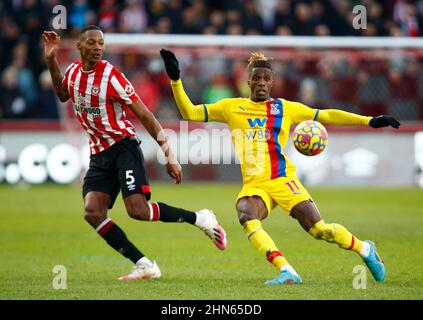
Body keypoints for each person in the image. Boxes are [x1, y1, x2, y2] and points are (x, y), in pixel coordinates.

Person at [160, 49, 401, 285]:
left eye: (266, 79)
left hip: (282, 179)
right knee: (246, 214)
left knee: (319, 230)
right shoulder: (232, 107)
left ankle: (365, 248)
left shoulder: (285, 109)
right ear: (248, 81)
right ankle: (286, 270)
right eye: (256, 78)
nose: (261, 83)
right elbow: (189, 112)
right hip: (255, 185)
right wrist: (175, 80)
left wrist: (369, 121)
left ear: (272, 82)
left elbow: (325, 116)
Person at [41, 26, 227, 281]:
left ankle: (201, 218)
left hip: (123, 147)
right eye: (92, 43)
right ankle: (144, 264)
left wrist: (169, 154)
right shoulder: (72, 73)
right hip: (99, 154)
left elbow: (145, 115)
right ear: (79, 47)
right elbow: (63, 95)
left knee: (138, 210)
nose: (97, 47)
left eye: (101, 43)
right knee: (93, 212)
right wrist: (51, 60)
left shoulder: (112, 76)